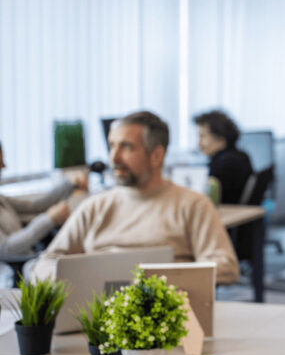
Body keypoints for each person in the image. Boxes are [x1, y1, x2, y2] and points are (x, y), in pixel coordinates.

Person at [31, 111, 239, 284]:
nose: (114, 158)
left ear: (156, 156)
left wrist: (155, 280)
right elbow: (44, 263)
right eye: (112, 146)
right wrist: (79, 278)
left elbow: (225, 267)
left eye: (126, 147)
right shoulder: (94, 206)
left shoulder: (193, 205)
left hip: (164, 317)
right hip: (94, 319)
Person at [0, 141, 88, 259]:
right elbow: (6, 248)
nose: (4, 166)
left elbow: (35, 206)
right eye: (0, 162)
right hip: (16, 265)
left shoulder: (1, 199)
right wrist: (49, 219)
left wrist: (70, 182)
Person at [194, 110, 254, 205]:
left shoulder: (224, 164)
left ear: (221, 140)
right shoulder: (242, 156)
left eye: (202, 136)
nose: (199, 143)